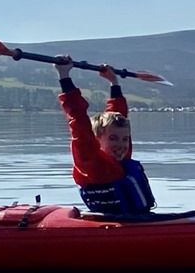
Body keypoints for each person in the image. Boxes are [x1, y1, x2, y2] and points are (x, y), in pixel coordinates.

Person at [55, 56, 156, 218]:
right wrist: (64, 76)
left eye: (124, 139)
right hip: (114, 226)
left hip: (138, 219)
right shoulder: (91, 163)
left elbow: (119, 116)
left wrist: (114, 82)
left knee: (120, 129)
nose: (122, 145)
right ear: (97, 139)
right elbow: (78, 120)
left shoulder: (120, 161)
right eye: (113, 139)